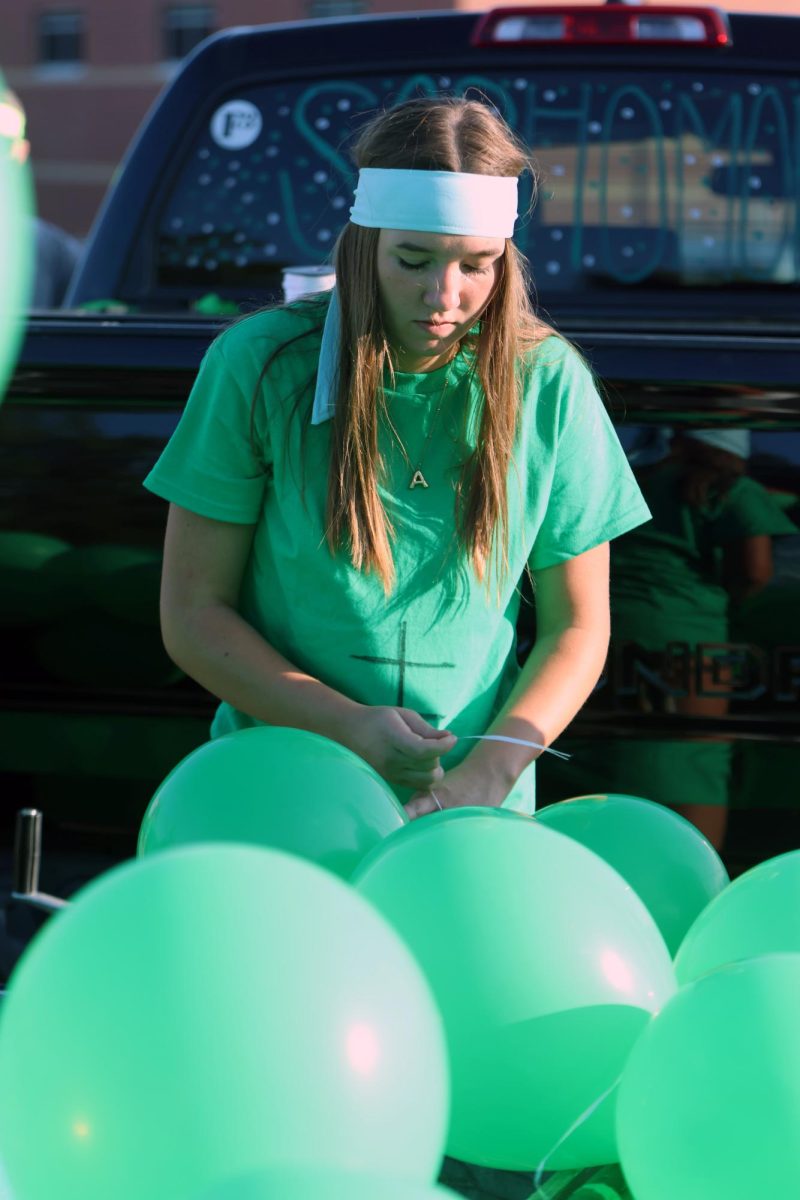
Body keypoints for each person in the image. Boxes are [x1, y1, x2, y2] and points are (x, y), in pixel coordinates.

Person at [143, 92, 651, 1200]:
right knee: (283, 1115)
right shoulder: (259, 366)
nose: (444, 297)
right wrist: (347, 729)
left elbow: (577, 627)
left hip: (470, 828)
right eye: (414, 263)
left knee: (475, 1135)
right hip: (283, 806)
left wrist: (482, 774)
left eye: (472, 265)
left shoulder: (547, 380)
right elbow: (194, 616)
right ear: (362, 241)